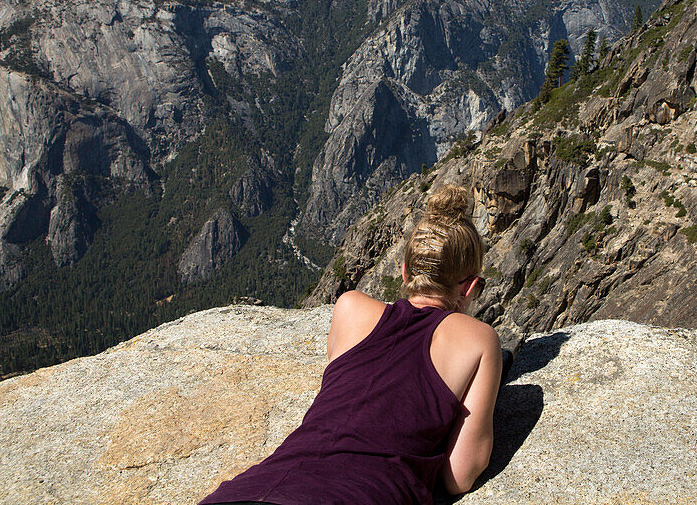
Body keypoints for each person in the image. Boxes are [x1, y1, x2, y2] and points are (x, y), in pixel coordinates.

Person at [199, 185, 503, 505]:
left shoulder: (350, 307)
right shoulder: (478, 340)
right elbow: (460, 474)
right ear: (468, 288)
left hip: (252, 490)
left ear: (404, 272)